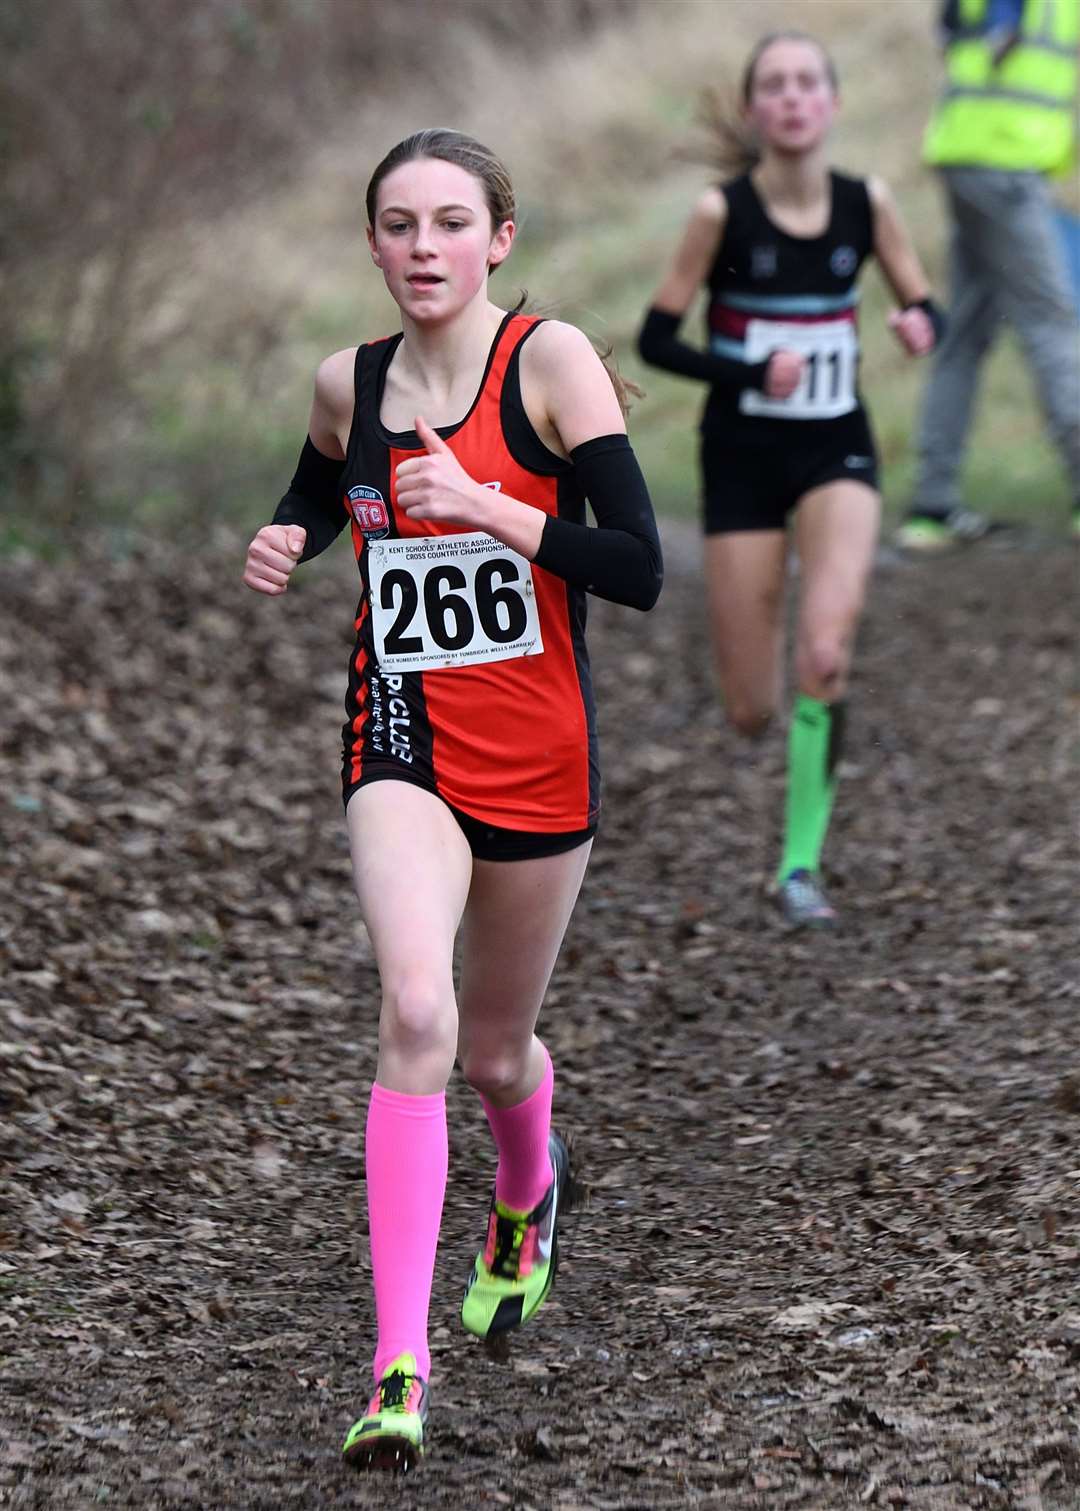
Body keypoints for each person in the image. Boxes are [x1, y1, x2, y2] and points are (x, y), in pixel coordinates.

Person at [243, 128, 661, 1472]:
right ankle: (395, 1365)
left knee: (492, 1051)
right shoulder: (344, 381)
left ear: (500, 238)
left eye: (449, 223)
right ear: (371, 243)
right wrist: (293, 534)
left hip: (541, 752)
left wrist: (490, 504)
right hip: (401, 737)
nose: (423, 249)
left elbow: (640, 564)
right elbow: (323, 483)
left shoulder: (550, 361)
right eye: (398, 225)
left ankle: (529, 1191)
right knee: (414, 1009)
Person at [637, 30, 942, 929]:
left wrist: (921, 324)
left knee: (824, 653)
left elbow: (923, 300)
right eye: (775, 85)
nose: (794, 98)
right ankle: (763, 711)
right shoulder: (718, 214)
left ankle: (799, 866)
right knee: (750, 709)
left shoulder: (866, 203)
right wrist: (745, 372)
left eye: (809, 82)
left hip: (835, 450)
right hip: (739, 458)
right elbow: (657, 339)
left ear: (833, 103)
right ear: (754, 110)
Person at [898, 0, 1080, 550]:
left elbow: (950, 28)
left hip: (974, 156)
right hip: (1003, 163)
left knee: (966, 334)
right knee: (1052, 323)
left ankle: (932, 504)